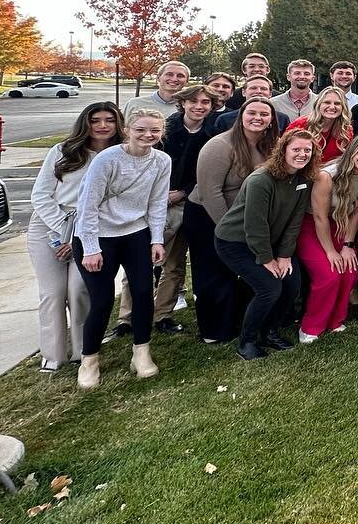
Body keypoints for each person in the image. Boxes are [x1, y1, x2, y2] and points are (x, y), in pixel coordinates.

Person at [72, 109, 172, 389]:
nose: (148, 135)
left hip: (135, 234)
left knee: (142, 293)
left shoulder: (161, 161)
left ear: (161, 132)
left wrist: (156, 239)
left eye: (154, 130)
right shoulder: (107, 159)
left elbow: (157, 202)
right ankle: (89, 359)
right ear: (127, 130)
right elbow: (87, 205)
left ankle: (141, 351)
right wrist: (91, 248)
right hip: (98, 236)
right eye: (141, 129)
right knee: (102, 300)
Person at [115, 83, 215, 336]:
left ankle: (163, 314)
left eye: (205, 103)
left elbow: (209, 171)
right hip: (152, 203)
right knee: (140, 259)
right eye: (194, 102)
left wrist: (183, 192)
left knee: (175, 262)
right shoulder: (165, 130)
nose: (199, 107)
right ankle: (127, 317)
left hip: (188, 202)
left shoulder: (211, 134)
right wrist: (159, 196)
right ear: (183, 103)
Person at [29, 102, 122, 373]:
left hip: (93, 228)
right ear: (86, 123)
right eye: (96, 120)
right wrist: (64, 233)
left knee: (80, 289)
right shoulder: (62, 151)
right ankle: (53, 354)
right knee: (53, 293)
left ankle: (85, 350)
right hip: (50, 226)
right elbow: (40, 196)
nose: (103, 125)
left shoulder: (120, 155)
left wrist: (79, 236)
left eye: (109, 120)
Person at [213, 129, 317, 360]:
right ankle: (247, 341)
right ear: (283, 150)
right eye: (296, 149)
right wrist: (267, 259)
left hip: (272, 242)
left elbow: (294, 221)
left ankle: (269, 331)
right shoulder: (262, 179)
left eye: (307, 150)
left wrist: (284, 255)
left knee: (292, 283)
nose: (302, 154)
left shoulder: (303, 179)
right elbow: (254, 225)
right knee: (269, 288)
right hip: (236, 241)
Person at [187, 99, 281, 343]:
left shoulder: (268, 145)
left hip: (244, 219)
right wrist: (228, 231)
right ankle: (214, 331)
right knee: (213, 274)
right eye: (252, 113)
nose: (257, 118)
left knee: (238, 273)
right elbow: (211, 193)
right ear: (241, 115)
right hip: (209, 217)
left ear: (272, 119)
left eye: (264, 114)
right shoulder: (219, 145)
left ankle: (236, 319)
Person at [298, 133, 358, 342]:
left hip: (341, 223)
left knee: (349, 271)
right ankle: (310, 326)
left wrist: (348, 245)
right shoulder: (327, 176)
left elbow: (356, 213)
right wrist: (330, 251)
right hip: (312, 225)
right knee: (328, 274)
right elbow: (319, 216)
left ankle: (335, 320)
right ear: (351, 152)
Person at [285, 86, 354, 164]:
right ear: (318, 105)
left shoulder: (346, 130)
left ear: (343, 107)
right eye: (327, 102)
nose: (332, 107)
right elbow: (283, 151)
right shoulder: (301, 124)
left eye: (337, 103)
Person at [212, 75, 288, 135]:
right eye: (253, 88)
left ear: (270, 94)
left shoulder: (282, 119)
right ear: (243, 92)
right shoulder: (225, 119)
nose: (258, 91)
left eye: (263, 89)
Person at [123, 60, 191, 116]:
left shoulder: (192, 108)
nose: (174, 79)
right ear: (158, 78)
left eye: (180, 76)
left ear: (187, 81)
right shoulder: (135, 104)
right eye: (169, 74)